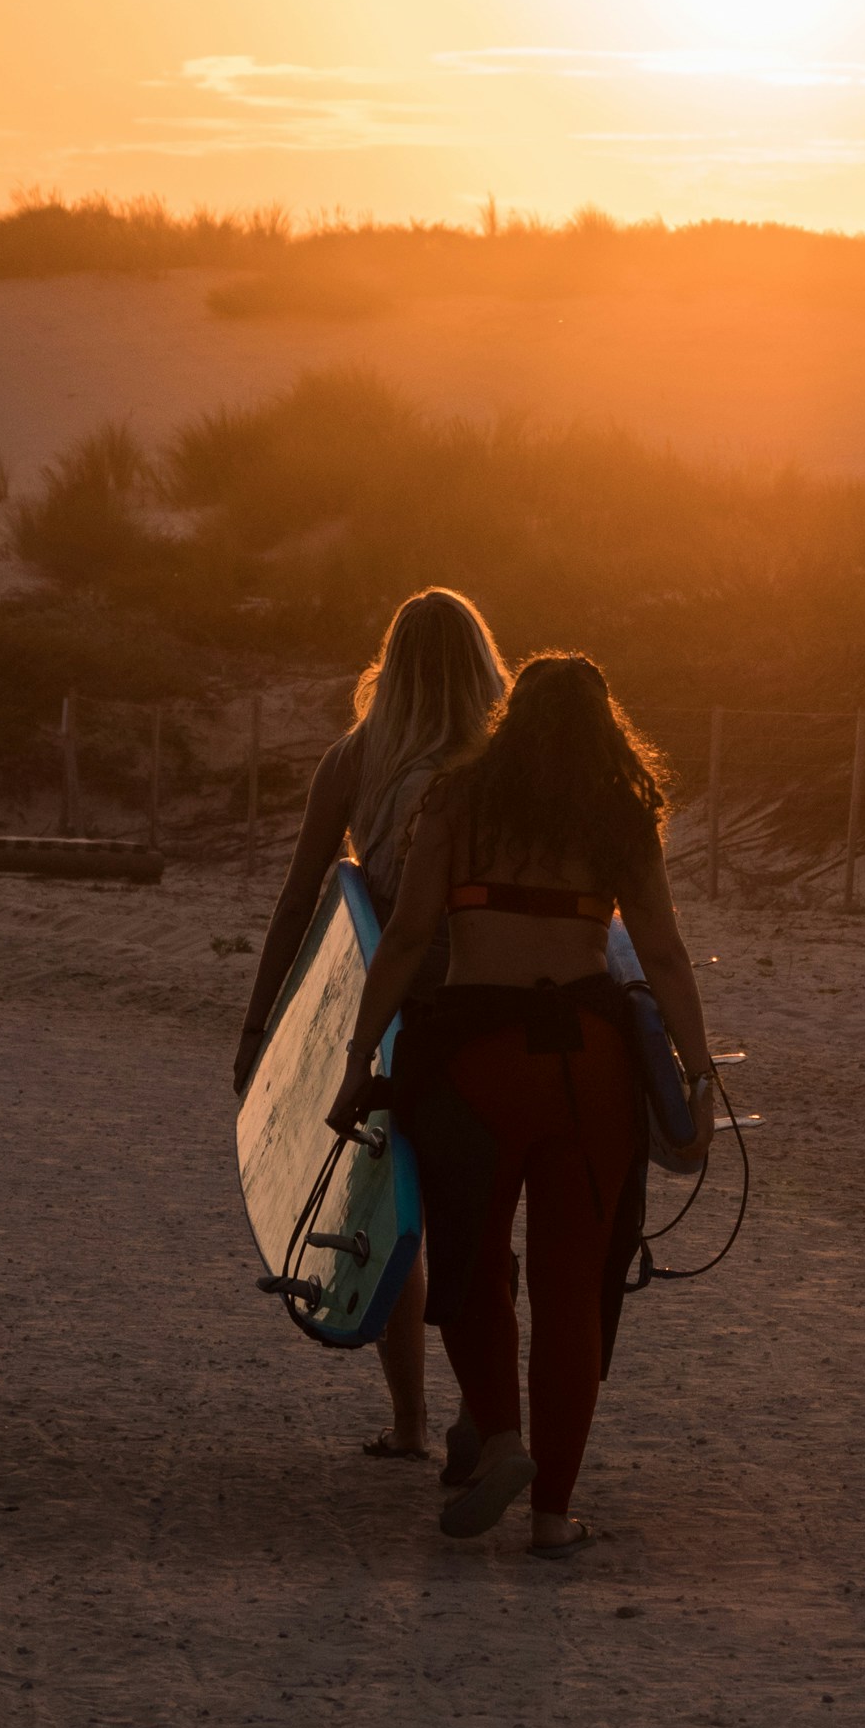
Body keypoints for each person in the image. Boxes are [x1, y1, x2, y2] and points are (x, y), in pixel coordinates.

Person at [333, 653, 717, 1559]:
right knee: (572, 1286)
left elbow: (409, 938)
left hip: (475, 1059)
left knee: (469, 1262)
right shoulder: (619, 813)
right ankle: (552, 1514)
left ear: (512, 722)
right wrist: (698, 1072)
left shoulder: (458, 801)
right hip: (587, 1068)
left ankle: (500, 1438)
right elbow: (661, 955)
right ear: (602, 727)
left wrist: (356, 1055)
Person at [233, 587, 508, 1466]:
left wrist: (258, 1025)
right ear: (480, 667)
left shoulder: (353, 760)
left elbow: (299, 898)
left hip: (386, 1022)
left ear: (390, 669)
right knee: (484, 1220)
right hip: (484, 1009)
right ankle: (485, 1414)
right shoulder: (496, 768)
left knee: (396, 1220)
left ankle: (413, 1424)